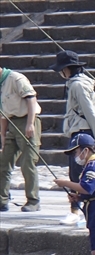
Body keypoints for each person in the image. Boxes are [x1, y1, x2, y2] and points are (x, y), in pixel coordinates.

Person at [50, 50, 95, 225]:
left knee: (77, 172)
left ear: (67, 69)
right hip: (81, 132)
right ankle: (81, 209)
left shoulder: (77, 85)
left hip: (83, 133)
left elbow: (89, 111)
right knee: (78, 171)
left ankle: (76, 211)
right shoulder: (77, 83)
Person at [0, 66, 42, 212]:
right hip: (10, 122)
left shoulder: (16, 78)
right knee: (3, 162)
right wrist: (3, 134)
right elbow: (2, 111)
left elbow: (31, 99)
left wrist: (30, 124)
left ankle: (33, 200)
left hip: (26, 120)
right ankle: (2, 199)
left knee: (27, 162)